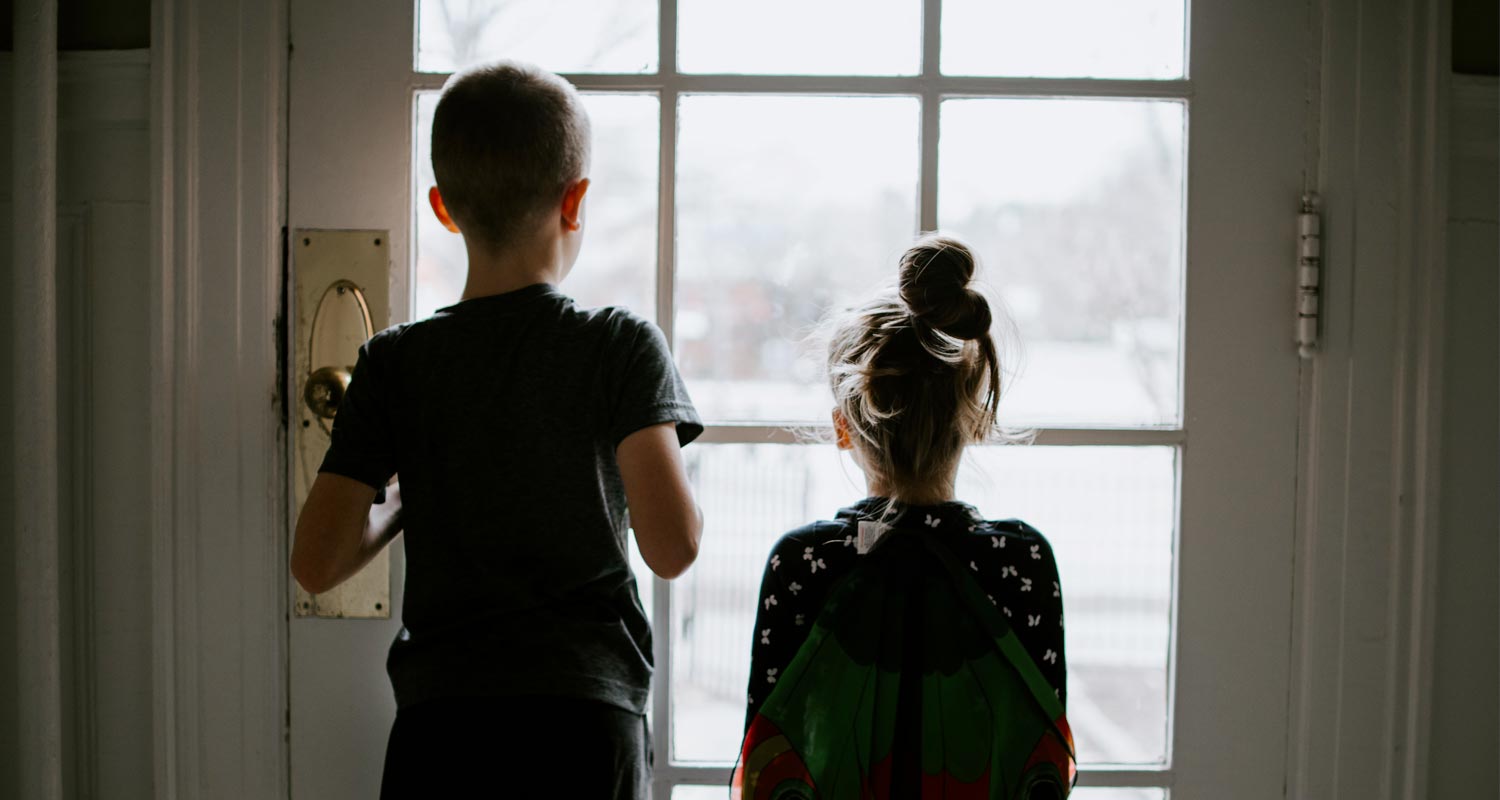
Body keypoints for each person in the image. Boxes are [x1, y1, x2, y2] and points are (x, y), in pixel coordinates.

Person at [290, 60, 704, 800]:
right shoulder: (619, 346)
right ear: (574, 201)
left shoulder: (396, 362)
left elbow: (317, 564)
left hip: (444, 725)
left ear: (443, 208)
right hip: (583, 718)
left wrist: (419, 486)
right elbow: (671, 548)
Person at [734, 234, 1074, 798]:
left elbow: (769, 759)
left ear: (844, 424)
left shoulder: (805, 562)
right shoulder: (1021, 561)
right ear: (975, 417)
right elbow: (1041, 763)